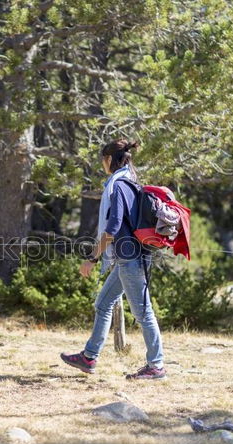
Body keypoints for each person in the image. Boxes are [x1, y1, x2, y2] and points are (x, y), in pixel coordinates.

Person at [60, 138, 166, 380]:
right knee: (104, 303)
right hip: (129, 258)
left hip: (130, 260)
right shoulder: (130, 183)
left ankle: (156, 365)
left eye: (103, 161)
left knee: (144, 313)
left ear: (109, 160)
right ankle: (89, 357)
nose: (102, 165)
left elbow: (113, 227)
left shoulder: (117, 186)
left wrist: (93, 258)